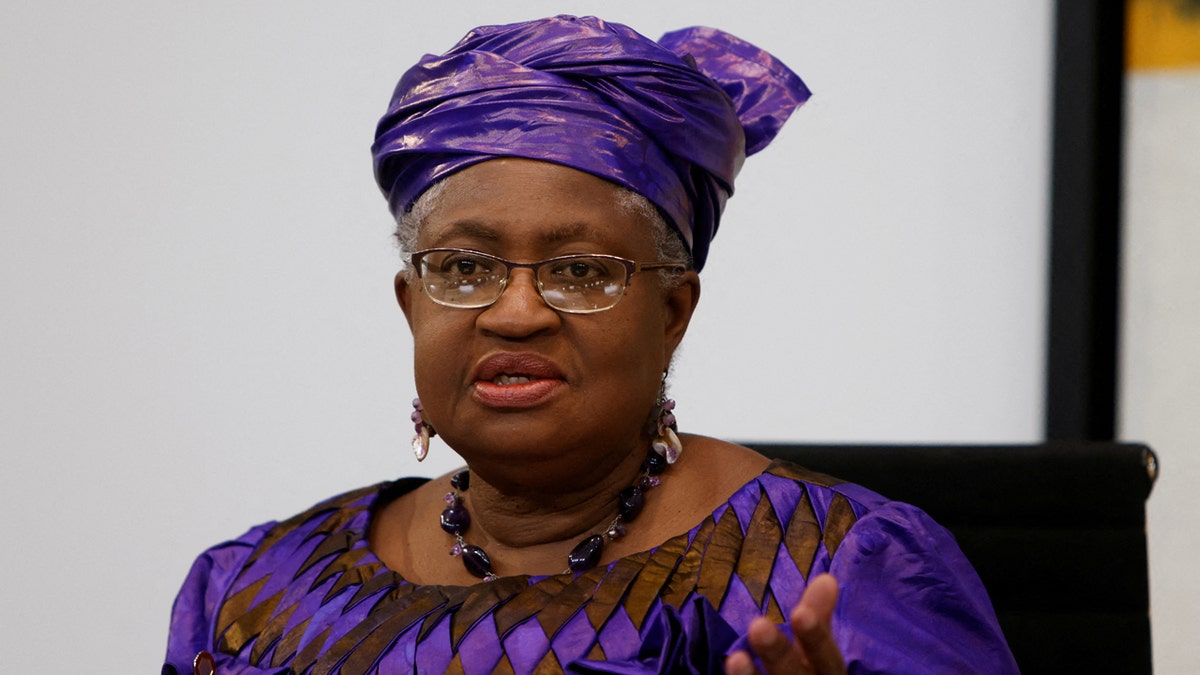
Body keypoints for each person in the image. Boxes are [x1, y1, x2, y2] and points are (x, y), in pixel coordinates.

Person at [164, 15, 1018, 674]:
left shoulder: (837, 569)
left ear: (675, 310)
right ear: (409, 304)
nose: (517, 312)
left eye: (579, 270)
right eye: (463, 266)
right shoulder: (252, 589)